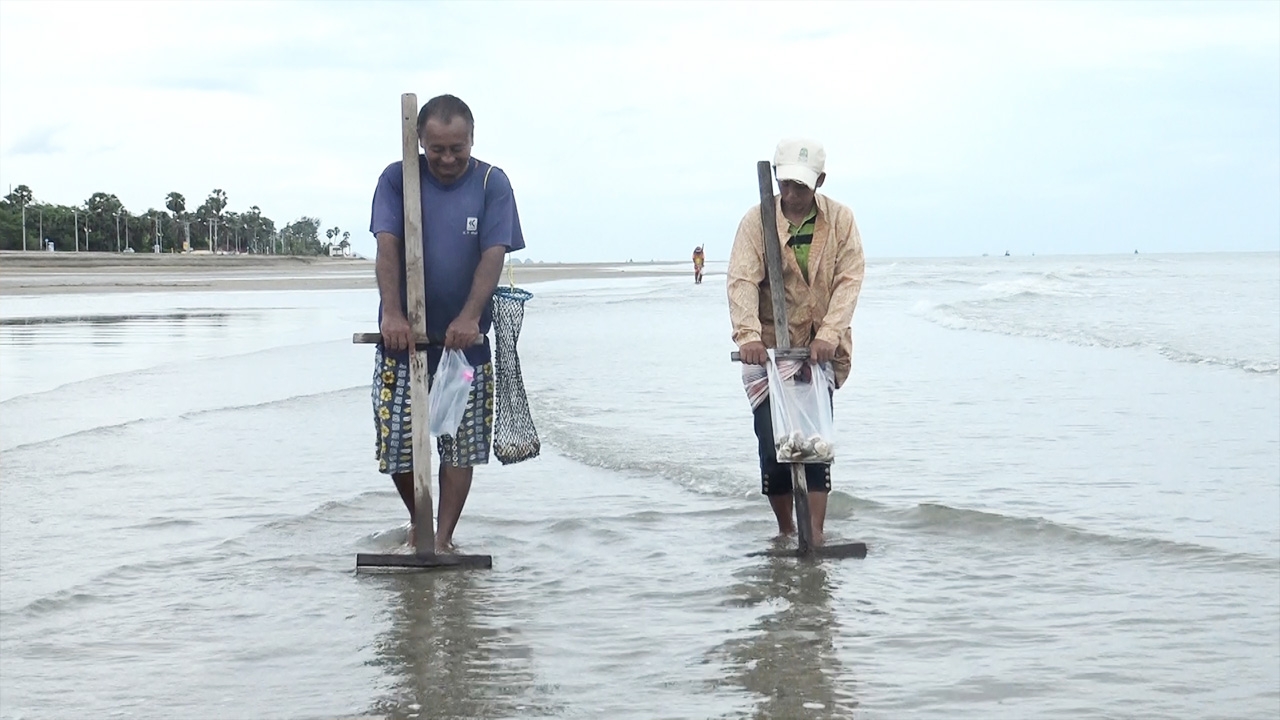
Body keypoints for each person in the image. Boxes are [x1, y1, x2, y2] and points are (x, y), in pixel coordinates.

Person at [368, 94, 525, 554]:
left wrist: (470, 316)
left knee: (460, 443)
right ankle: (418, 521)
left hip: (465, 344)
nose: (448, 158)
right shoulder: (397, 179)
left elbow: (493, 254)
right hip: (404, 341)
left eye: (458, 148)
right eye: (437, 149)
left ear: (471, 140)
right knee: (397, 441)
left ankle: (442, 536)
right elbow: (388, 246)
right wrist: (393, 313)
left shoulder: (493, 183)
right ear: (420, 141)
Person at [726, 138, 865, 547]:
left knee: (814, 446)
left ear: (819, 181)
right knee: (774, 448)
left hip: (816, 351)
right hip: (769, 352)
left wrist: (830, 333)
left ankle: (815, 535)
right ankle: (787, 530)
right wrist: (748, 335)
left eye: (801, 186)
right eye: (785, 184)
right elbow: (741, 281)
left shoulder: (840, 221)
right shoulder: (757, 221)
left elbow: (849, 280)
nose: (791, 194)